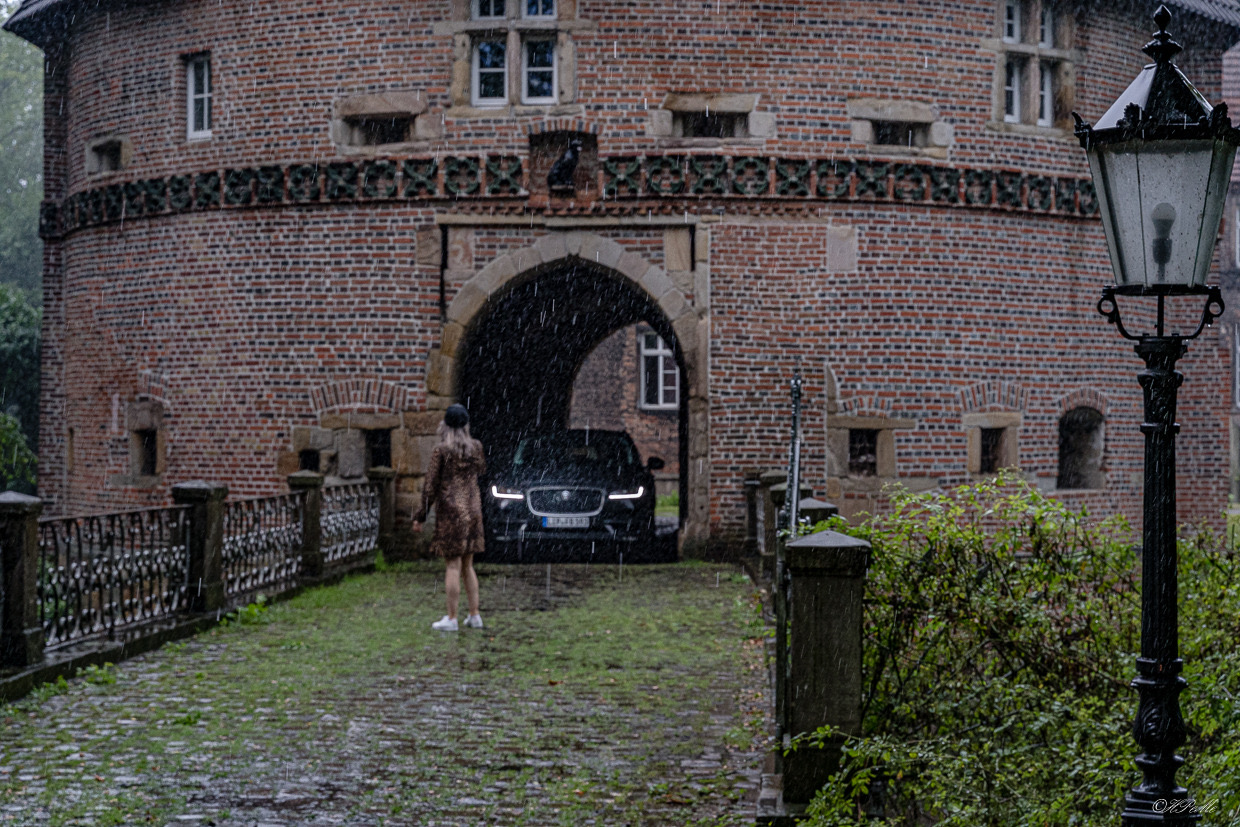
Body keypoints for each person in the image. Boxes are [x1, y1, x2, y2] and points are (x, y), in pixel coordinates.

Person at [412, 404, 486, 631]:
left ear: (444, 426)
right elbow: (481, 470)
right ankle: (474, 615)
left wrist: (420, 516)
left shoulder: (441, 452)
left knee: (453, 566)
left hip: (452, 513)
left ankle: (452, 618)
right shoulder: (476, 448)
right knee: (468, 566)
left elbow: (430, 487)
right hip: (472, 512)